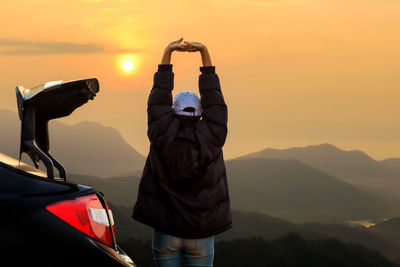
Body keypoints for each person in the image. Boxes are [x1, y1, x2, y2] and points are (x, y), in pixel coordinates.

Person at [132, 38, 232, 267]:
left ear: (172, 111)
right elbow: (214, 98)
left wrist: (167, 52)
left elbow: (159, 96)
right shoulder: (213, 135)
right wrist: (204, 53)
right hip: (201, 232)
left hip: (167, 230)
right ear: (201, 112)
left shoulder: (161, 133)